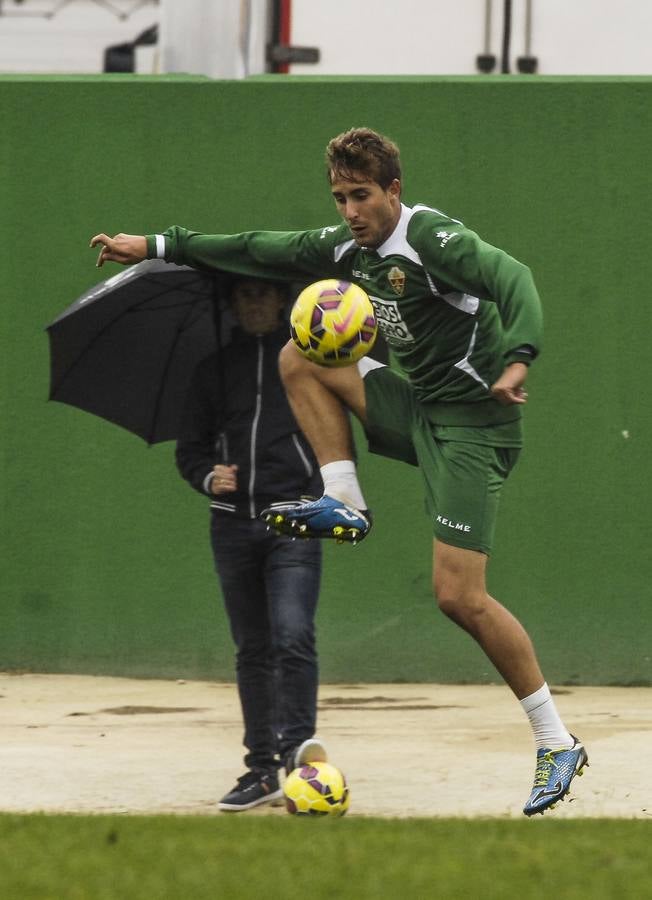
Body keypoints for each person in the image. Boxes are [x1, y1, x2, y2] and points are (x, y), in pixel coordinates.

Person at [90, 126, 588, 816]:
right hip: (418, 407)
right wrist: (158, 246)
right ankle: (344, 497)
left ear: (394, 191)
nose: (350, 210)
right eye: (340, 197)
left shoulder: (433, 241)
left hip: (475, 427)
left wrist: (521, 356)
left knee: (459, 597)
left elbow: (515, 278)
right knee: (298, 354)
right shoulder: (347, 250)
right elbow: (260, 247)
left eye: (361, 195)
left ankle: (555, 740)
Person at [175, 275, 326, 811]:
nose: (256, 302)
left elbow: (336, 441)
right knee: (254, 650)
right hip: (232, 526)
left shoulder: (310, 363)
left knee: (293, 635)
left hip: (296, 522)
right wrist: (207, 477)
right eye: (245, 295)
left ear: (283, 300)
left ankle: (300, 763)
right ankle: (262, 770)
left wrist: (318, 495)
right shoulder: (212, 372)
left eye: (265, 292)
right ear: (233, 304)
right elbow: (189, 450)